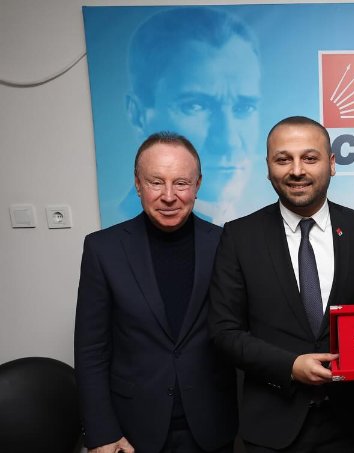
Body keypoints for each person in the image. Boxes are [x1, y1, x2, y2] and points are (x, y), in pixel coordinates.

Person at [208, 116, 354, 452]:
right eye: (283, 159)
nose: (296, 170)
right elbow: (224, 332)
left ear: (332, 164)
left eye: (310, 158)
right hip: (275, 425)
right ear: (268, 167)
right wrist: (290, 366)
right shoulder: (239, 237)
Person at [75, 132, 238, 453]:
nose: (169, 196)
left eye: (181, 183)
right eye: (155, 182)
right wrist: (101, 432)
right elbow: (91, 350)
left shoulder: (225, 244)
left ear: (198, 185)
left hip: (212, 427)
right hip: (131, 432)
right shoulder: (103, 249)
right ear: (137, 184)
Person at [122, 7, 261, 224]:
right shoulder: (114, 233)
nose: (228, 141)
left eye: (244, 108)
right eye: (195, 106)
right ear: (138, 115)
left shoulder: (256, 228)